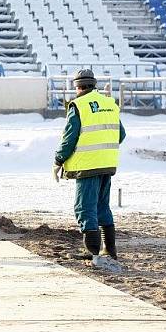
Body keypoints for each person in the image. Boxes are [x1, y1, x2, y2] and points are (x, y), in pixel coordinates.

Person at [53, 69, 126, 271]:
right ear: (94, 85)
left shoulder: (78, 105)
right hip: (107, 163)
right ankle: (110, 250)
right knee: (103, 207)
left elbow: (70, 138)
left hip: (87, 166)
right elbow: (121, 134)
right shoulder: (109, 103)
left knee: (84, 208)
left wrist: (59, 160)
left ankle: (94, 253)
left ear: (77, 87)